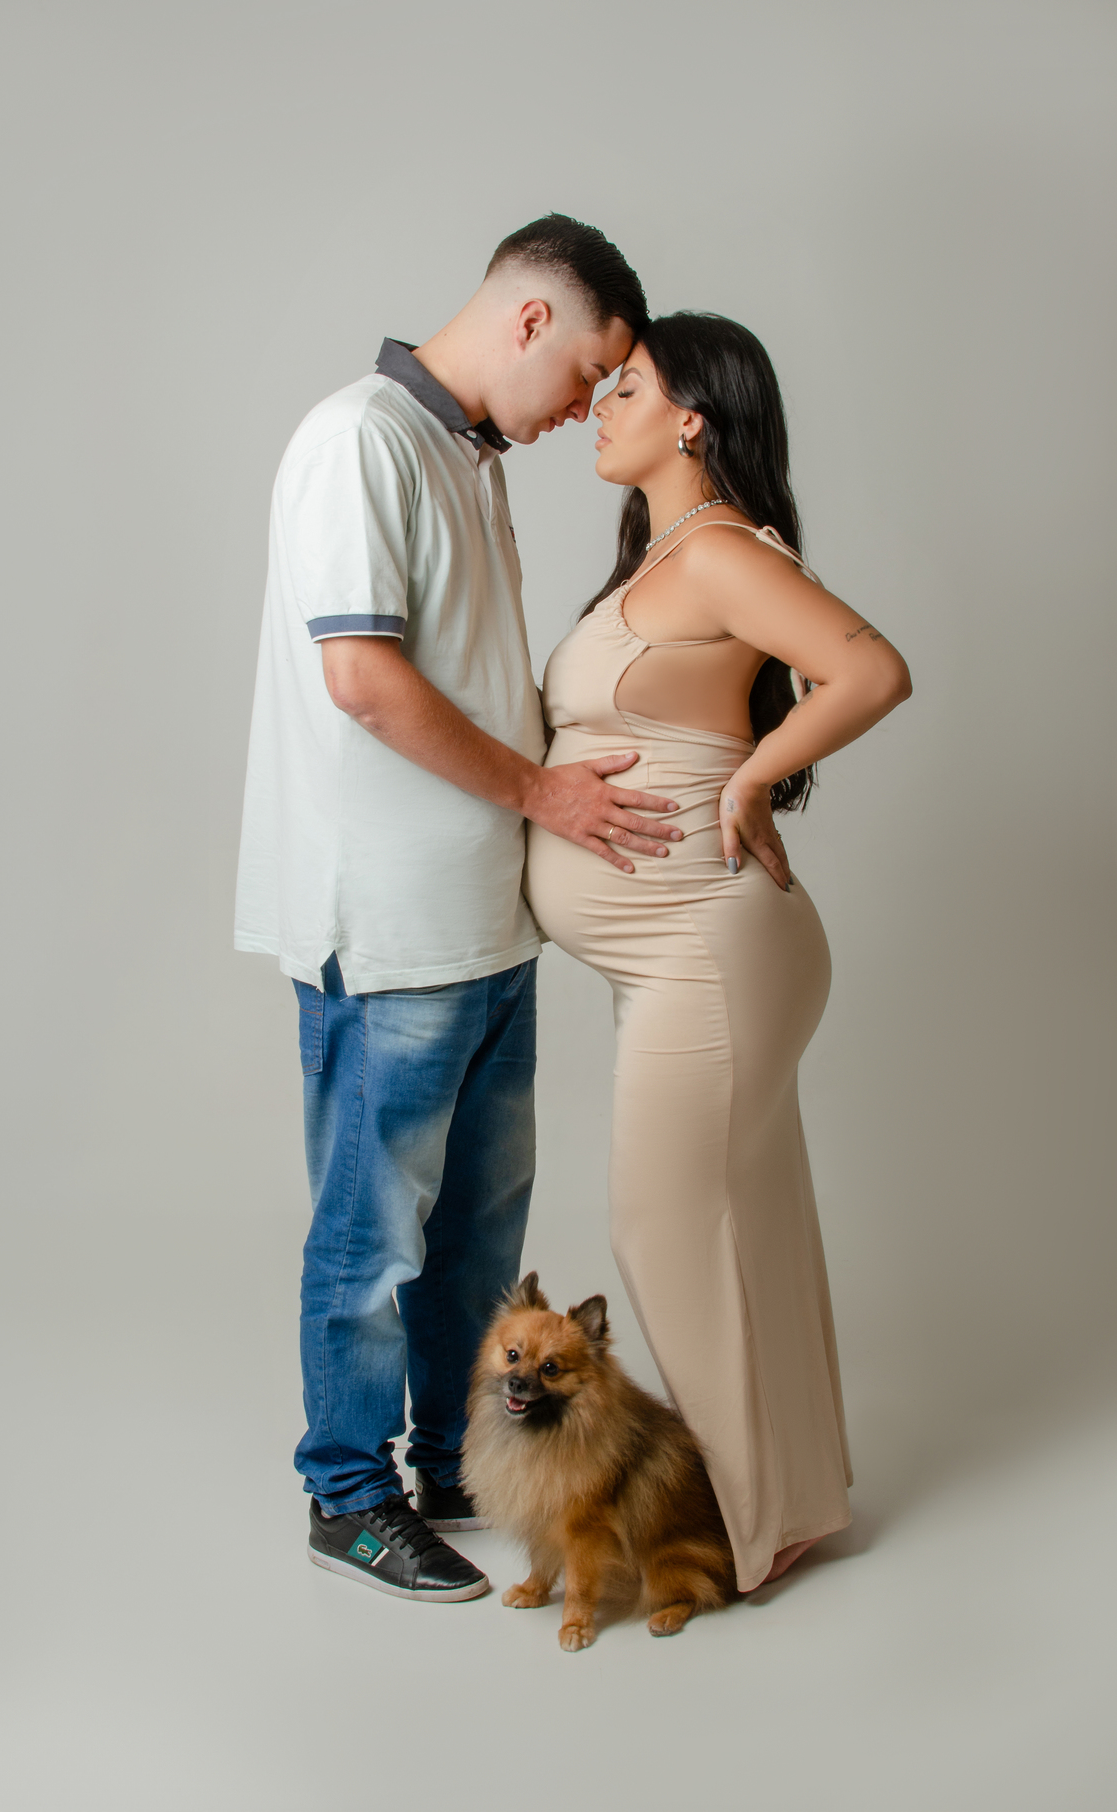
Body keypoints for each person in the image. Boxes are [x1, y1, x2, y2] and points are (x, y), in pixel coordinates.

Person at [235, 216, 681, 1603]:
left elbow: (475, 680)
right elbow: (363, 681)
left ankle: (449, 1461)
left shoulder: (466, 457)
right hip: (389, 929)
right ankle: (348, 1496)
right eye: (591, 373)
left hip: (486, 923)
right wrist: (545, 794)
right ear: (531, 320)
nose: (589, 409)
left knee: (481, 1235)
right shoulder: (360, 440)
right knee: (373, 1237)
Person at [525, 312, 912, 1594]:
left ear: (691, 418)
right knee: (752, 1224)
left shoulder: (719, 551)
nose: (601, 403)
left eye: (628, 387)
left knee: (667, 1225)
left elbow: (869, 671)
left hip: (709, 945)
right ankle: (788, 1506)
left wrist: (750, 780)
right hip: (685, 951)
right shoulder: (665, 557)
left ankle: (739, 1532)